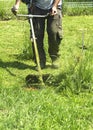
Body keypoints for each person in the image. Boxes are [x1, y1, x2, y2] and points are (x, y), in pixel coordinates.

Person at [11, 0, 63, 69]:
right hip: (37, 7)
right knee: (36, 35)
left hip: (54, 5)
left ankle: (55, 58)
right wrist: (17, 5)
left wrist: (54, 6)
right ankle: (40, 61)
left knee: (54, 32)